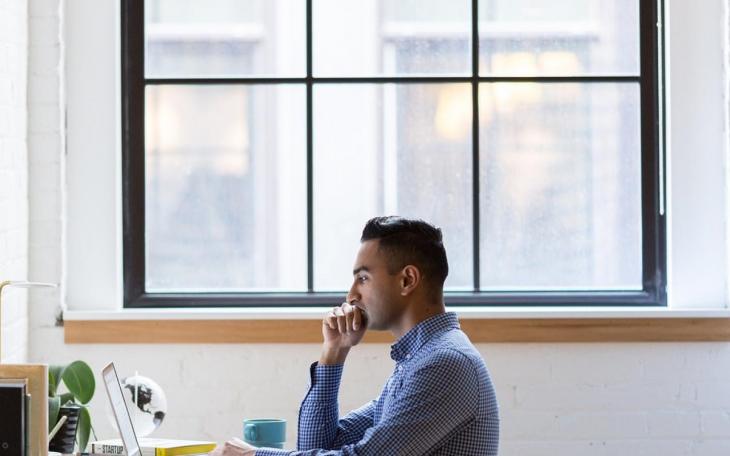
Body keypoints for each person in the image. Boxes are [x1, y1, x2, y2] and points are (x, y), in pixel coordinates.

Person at [213, 216, 499, 455]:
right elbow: (317, 446)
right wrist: (333, 352)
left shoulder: (445, 364)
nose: (350, 295)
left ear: (407, 280)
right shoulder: (417, 362)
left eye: (363, 278)